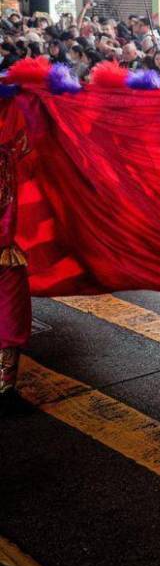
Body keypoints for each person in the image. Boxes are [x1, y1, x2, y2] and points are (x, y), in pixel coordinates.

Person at [0, 128, 30, 414]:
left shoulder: (9, 150)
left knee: (11, 318)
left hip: (5, 254)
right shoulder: (8, 151)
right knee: (10, 318)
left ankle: (6, 387)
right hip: (4, 253)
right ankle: (4, 388)